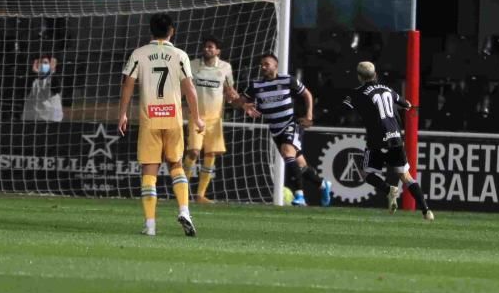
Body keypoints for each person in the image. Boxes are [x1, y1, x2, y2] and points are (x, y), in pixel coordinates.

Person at [118, 13, 204, 237]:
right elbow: (190, 89)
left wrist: (123, 115)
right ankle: (184, 210)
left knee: (149, 170)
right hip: (173, 118)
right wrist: (197, 117)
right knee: (176, 164)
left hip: (150, 119)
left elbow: (127, 85)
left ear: (150, 31)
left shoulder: (139, 54)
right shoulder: (179, 55)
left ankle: (150, 225)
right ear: (172, 31)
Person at [236, 53, 331, 207]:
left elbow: (307, 94)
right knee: (301, 166)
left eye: (267, 64)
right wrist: (243, 105)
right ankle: (322, 184)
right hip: (275, 130)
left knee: (287, 153)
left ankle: (300, 196)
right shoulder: (256, 85)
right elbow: (237, 102)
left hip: (290, 125)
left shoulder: (287, 80)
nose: (263, 67)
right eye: (262, 64)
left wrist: (309, 115)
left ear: (275, 65)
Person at [343, 61, 434, 220]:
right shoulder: (388, 89)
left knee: (366, 173)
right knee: (406, 176)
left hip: (377, 139)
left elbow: (345, 109)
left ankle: (388, 190)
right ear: (375, 74)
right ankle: (426, 211)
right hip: (395, 138)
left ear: (359, 77)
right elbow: (407, 105)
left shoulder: (357, 93)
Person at [182, 36, 243, 203]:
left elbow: (230, 90)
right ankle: (181, 190)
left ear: (218, 51)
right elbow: (184, 86)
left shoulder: (225, 67)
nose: (207, 49)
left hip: (215, 119)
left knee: (210, 154)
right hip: (196, 117)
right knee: (193, 151)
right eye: (205, 46)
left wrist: (234, 97)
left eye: (211, 47)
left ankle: (200, 194)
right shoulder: (193, 65)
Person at [22, 54, 65, 122]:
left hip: (52, 119)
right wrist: (35, 73)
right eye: (39, 62)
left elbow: (57, 89)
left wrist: (51, 71)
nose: (42, 65)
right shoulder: (31, 80)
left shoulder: (53, 78)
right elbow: (23, 91)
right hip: (31, 119)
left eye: (45, 63)